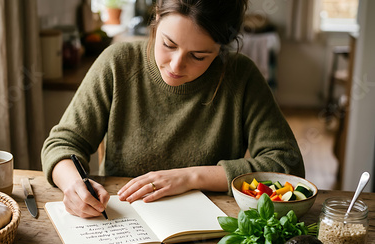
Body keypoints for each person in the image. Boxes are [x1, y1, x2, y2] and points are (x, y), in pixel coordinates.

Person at [42, 0, 305, 218]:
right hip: (123, 222)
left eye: (198, 56)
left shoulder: (241, 76)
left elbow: (286, 164)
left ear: (222, 47)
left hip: (208, 228)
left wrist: (191, 177)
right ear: (156, 17)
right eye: (169, 44)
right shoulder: (117, 63)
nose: (176, 65)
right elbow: (63, 143)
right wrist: (73, 185)